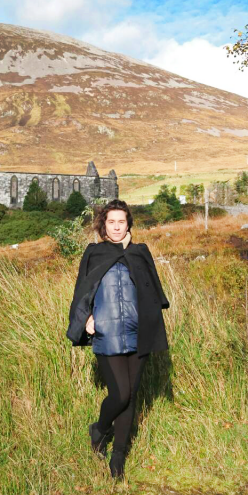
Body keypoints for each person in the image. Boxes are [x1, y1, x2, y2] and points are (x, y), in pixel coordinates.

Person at [65, 199, 170, 480]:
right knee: (120, 394)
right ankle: (99, 428)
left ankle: (118, 457)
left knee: (132, 396)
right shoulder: (94, 253)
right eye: (111, 222)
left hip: (139, 333)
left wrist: (127, 250)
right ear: (103, 225)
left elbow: (152, 291)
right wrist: (86, 316)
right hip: (107, 332)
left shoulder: (139, 252)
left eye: (121, 222)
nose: (116, 227)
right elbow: (82, 290)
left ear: (128, 224)